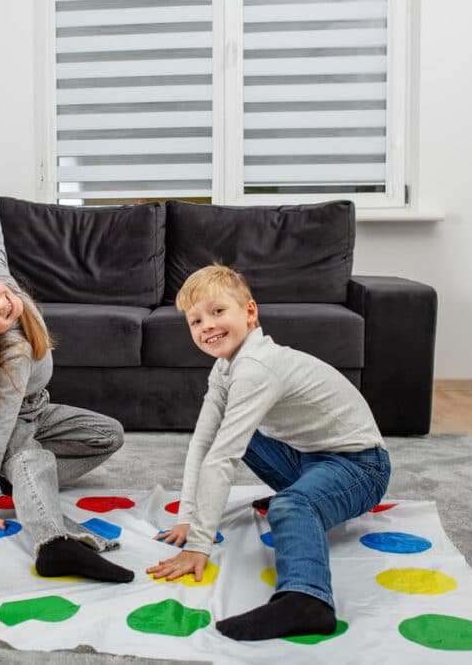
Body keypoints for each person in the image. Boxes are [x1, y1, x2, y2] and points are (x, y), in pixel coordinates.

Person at [0, 95, 132, 583]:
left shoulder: (1, 277)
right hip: (15, 422)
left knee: (108, 434)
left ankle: (19, 478)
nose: (2, 306)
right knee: (27, 454)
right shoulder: (11, 355)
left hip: (41, 411)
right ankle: (54, 543)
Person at [146, 265, 391, 640]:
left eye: (217, 311)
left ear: (250, 312)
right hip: (309, 457)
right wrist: (189, 518)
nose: (206, 326)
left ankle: (307, 600)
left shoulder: (257, 367)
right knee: (225, 437)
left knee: (290, 506)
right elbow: (204, 444)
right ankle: (308, 495)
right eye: (195, 321)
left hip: (360, 465)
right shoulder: (225, 366)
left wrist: (198, 546)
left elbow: (223, 458)